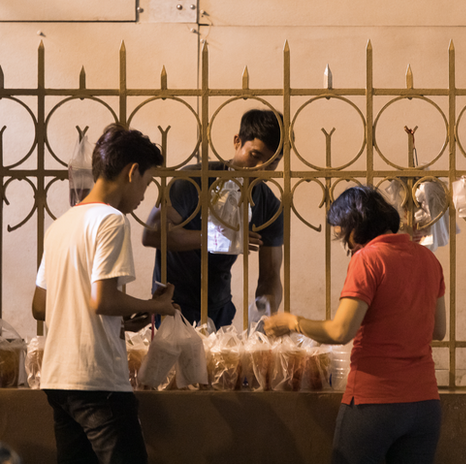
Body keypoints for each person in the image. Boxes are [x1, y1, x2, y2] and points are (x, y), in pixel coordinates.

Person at [265, 186, 447, 464]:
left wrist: (294, 322)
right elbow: (438, 331)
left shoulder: (369, 259)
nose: (347, 245)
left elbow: (340, 331)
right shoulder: (429, 260)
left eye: (343, 235)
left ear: (356, 226)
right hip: (424, 405)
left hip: (374, 403)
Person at [32, 124, 176, 464]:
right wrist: (156, 305)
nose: (144, 196)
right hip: (97, 380)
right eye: (147, 183)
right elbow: (103, 300)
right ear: (131, 172)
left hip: (58, 379)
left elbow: (41, 306)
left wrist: (121, 318)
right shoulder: (112, 220)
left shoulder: (60, 225)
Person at [142, 108, 284, 328]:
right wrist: (219, 237)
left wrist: (265, 312)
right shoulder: (191, 181)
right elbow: (151, 233)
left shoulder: (269, 204)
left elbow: (271, 275)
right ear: (237, 142)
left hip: (219, 308)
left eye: (272, 162)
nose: (261, 168)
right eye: (255, 156)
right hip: (171, 306)